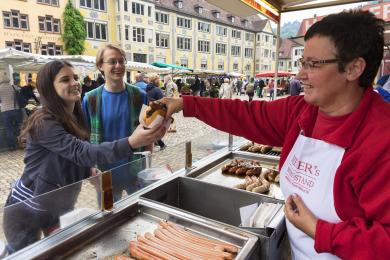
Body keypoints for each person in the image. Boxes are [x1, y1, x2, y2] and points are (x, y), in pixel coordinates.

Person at [159, 10, 390, 259]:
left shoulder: (381, 141)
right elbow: (245, 114)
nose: (300, 74)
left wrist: (317, 229)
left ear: (353, 68)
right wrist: (184, 104)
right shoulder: (302, 111)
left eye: (312, 64)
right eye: (302, 63)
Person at [3, 60, 165, 254]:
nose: (74, 83)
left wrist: (88, 170)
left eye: (75, 77)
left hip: (57, 207)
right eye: (65, 79)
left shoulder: (74, 116)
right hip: (27, 210)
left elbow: (72, 156)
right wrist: (131, 142)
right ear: (49, 88)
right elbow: (81, 152)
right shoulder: (43, 120)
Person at [82, 44, 151, 201]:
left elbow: (149, 132)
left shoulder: (140, 96)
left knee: (141, 212)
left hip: (135, 170)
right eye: (112, 62)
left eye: (121, 61)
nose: (118, 66)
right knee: (110, 218)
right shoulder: (90, 99)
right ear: (100, 66)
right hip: (105, 173)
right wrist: (90, 169)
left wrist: (148, 165)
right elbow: (84, 138)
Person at [0, 73, 24, 150]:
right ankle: (21, 144)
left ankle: (12, 146)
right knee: (19, 127)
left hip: (5, 111)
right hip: (16, 109)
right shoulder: (14, 87)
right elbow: (20, 95)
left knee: (8, 128)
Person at [146, 74, 166, 150]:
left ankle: (157, 144)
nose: (160, 81)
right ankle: (161, 144)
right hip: (156, 111)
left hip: (148, 111)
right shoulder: (157, 90)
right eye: (159, 79)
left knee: (151, 128)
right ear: (156, 80)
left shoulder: (147, 88)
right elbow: (163, 102)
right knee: (155, 129)